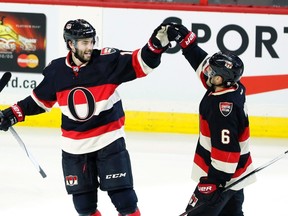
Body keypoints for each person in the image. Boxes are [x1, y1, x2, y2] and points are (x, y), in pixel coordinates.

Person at [0, 19, 171, 216]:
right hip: (74, 149)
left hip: (109, 141)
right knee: (84, 207)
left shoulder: (107, 61)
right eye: (84, 43)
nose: (90, 47)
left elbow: (141, 62)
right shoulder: (57, 71)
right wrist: (11, 115)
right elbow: (38, 101)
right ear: (71, 44)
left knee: (126, 202)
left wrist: (156, 45)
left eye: (91, 41)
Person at [166, 23, 256, 216]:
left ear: (221, 79)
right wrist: (188, 44)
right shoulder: (234, 88)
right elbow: (202, 65)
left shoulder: (222, 108)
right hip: (237, 177)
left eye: (213, 73)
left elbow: (227, 151)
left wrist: (213, 183)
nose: (208, 72)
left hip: (222, 178)